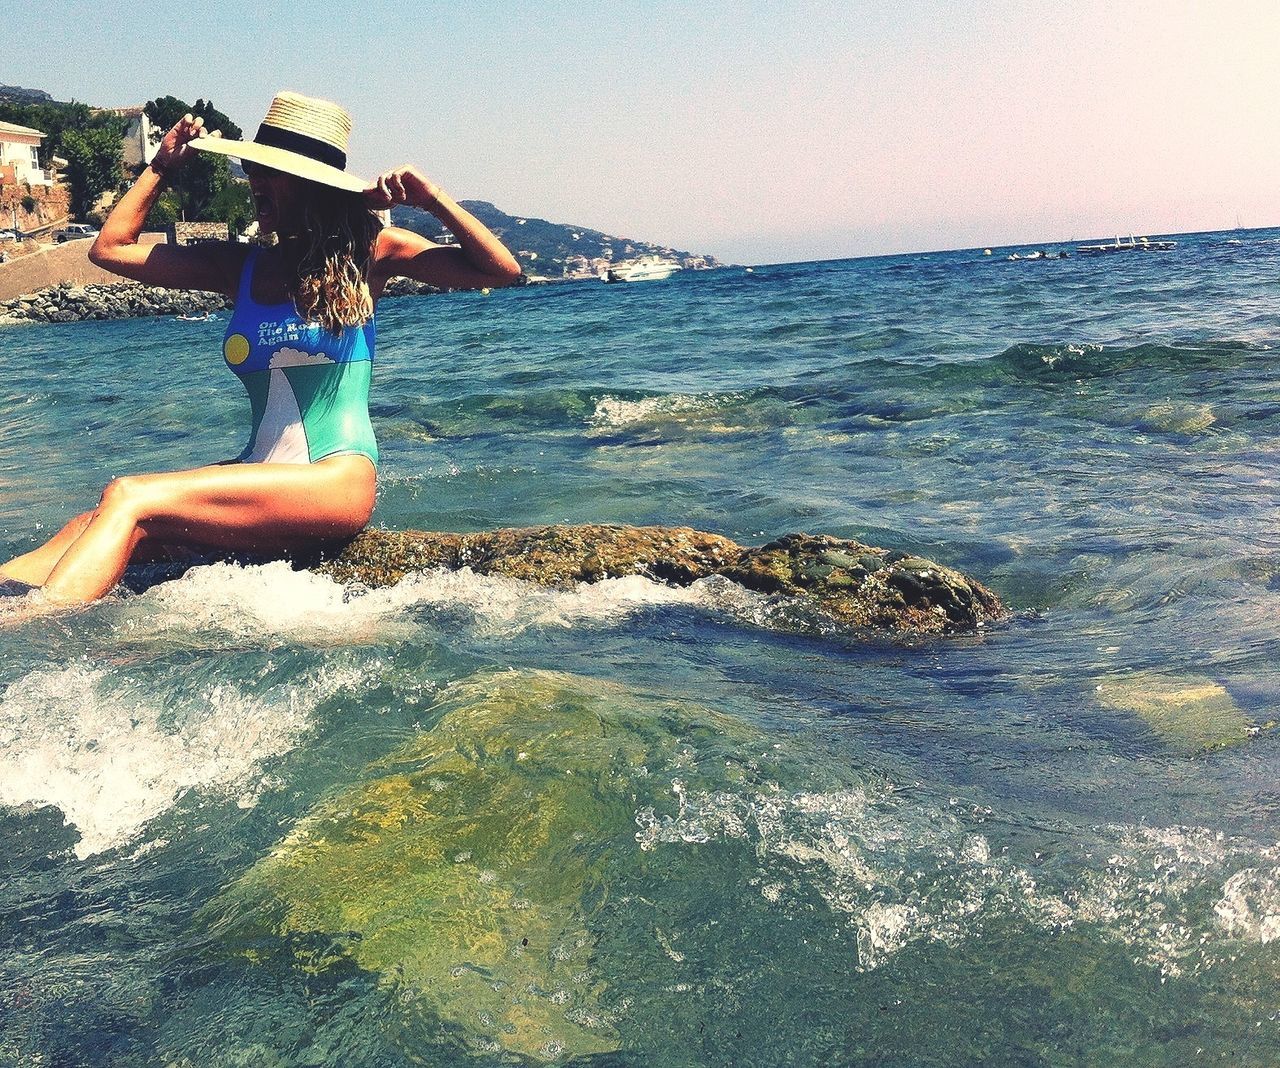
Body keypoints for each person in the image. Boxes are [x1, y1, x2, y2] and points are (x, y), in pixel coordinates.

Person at [0, 91, 521, 603]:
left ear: (311, 185)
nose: (253, 181)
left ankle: (36, 630)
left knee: (129, 496)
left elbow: (502, 272)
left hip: (332, 479)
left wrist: (431, 200)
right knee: (91, 523)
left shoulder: (374, 251)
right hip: (260, 473)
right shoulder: (241, 267)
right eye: (253, 169)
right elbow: (110, 248)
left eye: (269, 172)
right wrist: (161, 167)